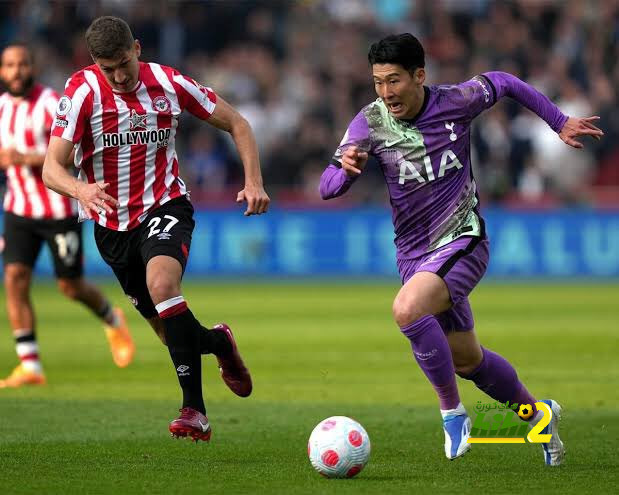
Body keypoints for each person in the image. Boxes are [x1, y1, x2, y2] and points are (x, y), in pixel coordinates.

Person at [320, 33, 603, 465]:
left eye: (393, 81)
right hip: (414, 255)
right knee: (468, 361)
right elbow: (327, 187)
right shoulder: (369, 122)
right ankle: (539, 416)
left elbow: (504, 81)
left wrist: (558, 119)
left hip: (463, 238)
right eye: (378, 82)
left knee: (406, 310)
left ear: (419, 76)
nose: (385, 93)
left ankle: (453, 416)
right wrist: (345, 171)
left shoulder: (457, 100)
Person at [42, 16, 270, 442]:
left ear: (138, 49)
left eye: (124, 63)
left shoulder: (169, 83)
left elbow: (238, 123)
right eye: (107, 68)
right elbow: (51, 168)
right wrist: (81, 189)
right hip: (110, 224)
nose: (119, 75)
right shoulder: (81, 93)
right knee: (172, 334)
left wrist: (253, 181)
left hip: (165, 204)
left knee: (163, 285)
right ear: (94, 64)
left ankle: (194, 412)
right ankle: (219, 343)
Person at [0, 43, 135, 388]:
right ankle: (30, 365)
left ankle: (111, 317)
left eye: (23, 64)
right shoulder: (1, 108)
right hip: (18, 208)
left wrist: (24, 158)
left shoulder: (51, 104)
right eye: (10, 65)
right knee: (15, 279)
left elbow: (73, 151)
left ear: (32, 67)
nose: (17, 71)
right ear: (3, 71)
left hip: (58, 209)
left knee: (69, 286)